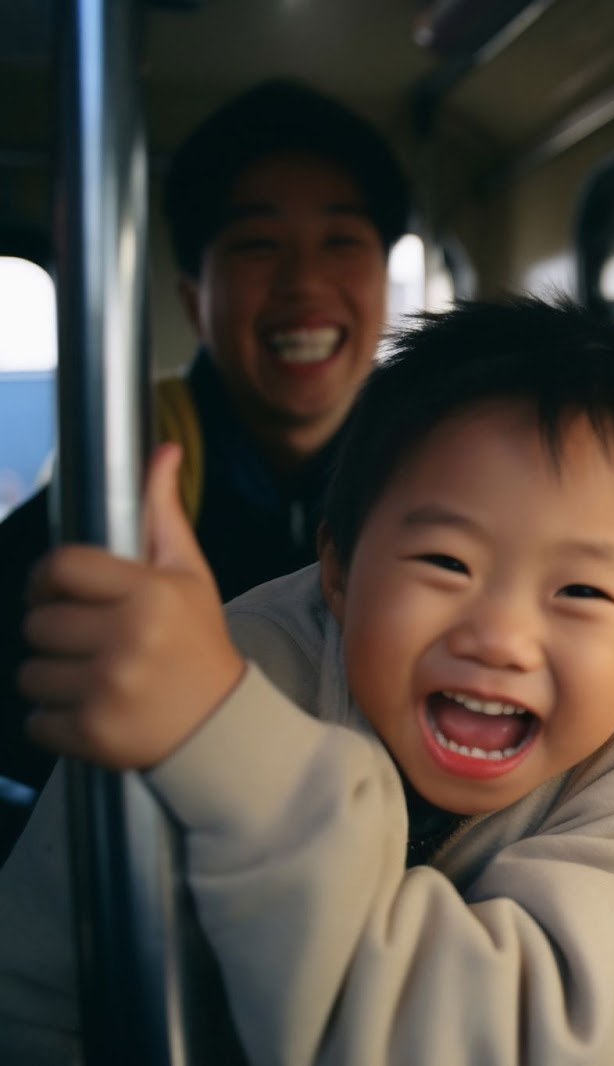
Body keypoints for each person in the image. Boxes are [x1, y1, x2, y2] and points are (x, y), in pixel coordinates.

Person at [0, 298, 614, 1066]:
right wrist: (208, 725)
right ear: (338, 567)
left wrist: (229, 751)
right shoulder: (204, 680)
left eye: (582, 593)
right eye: (446, 563)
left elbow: (489, 1039)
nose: (499, 638)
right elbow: (35, 998)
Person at [0, 78, 408, 807]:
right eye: (257, 245)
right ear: (195, 296)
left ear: (382, 278)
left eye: (342, 240)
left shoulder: (434, 478)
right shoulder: (112, 490)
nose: (304, 283)